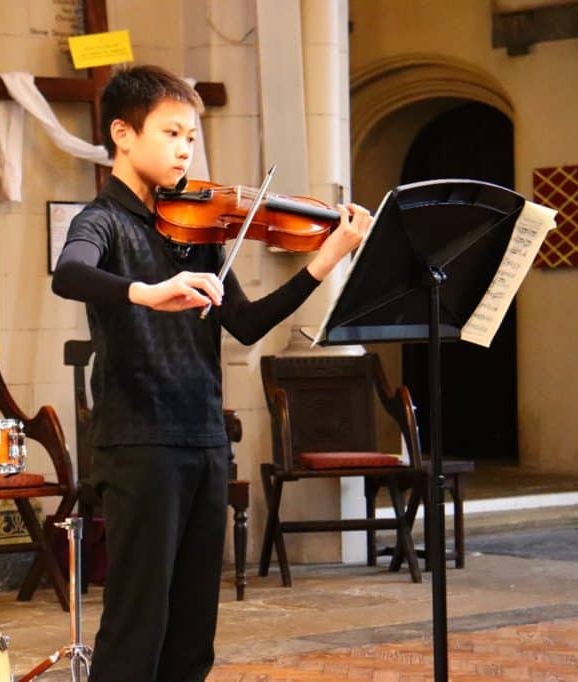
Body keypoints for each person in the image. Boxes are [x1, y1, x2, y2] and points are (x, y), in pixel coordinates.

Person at [51, 64, 371, 682]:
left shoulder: (197, 229)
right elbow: (70, 274)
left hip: (202, 439)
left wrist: (325, 260)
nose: (184, 149)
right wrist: (146, 291)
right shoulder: (102, 221)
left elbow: (246, 325)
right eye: (171, 133)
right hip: (140, 444)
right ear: (123, 133)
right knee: (136, 625)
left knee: (194, 633)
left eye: (191, 138)